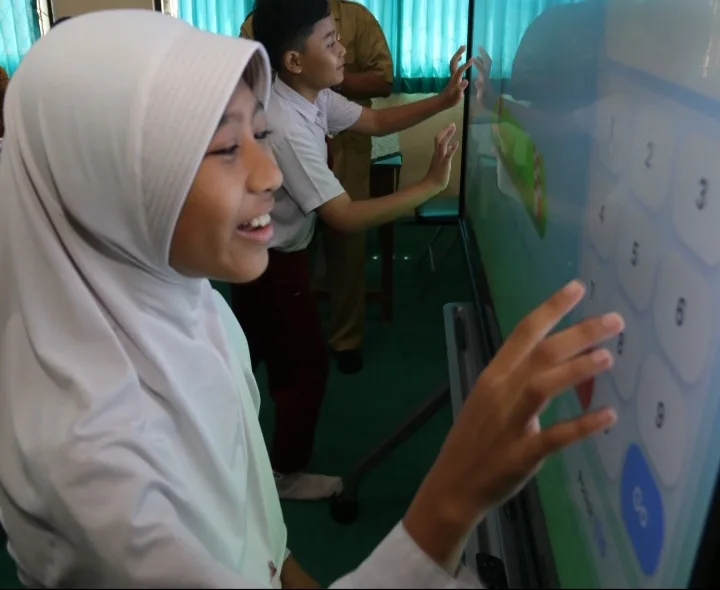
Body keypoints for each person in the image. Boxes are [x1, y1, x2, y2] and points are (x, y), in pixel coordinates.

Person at [0, 9, 623, 588]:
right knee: (301, 366)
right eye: (226, 149)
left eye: (259, 133)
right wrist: (454, 499)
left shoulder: (194, 305)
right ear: (104, 182)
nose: (269, 174)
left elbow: (257, 542)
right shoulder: (97, 472)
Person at [231, 0, 471, 501]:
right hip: (270, 261)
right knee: (303, 369)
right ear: (294, 60)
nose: (343, 51)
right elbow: (343, 216)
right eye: (330, 42)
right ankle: (285, 473)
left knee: (249, 350)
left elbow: (375, 122)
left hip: (266, 250)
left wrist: (444, 100)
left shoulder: (308, 94)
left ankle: (223, 434)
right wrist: (429, 185)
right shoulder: (286, 125)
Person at [240, 0, 394, 375]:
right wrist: (312, 76)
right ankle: (287, 328)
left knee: (346, 252)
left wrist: (326, 78)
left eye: (337, 41)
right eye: (330, 43)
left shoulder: (355, 16)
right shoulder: (263, 18)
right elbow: (246, 81)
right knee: (293, 254)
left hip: (345, 147)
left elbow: (383, 80)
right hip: (292, 144)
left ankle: (345, 338)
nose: (340, 49)